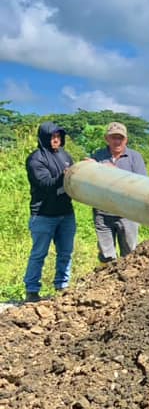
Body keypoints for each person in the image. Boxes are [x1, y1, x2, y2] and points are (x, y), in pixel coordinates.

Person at [23, 122, 76, 302]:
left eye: (58, 136)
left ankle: (62, 287)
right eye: (52, 136)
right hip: (43, 215)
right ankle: (32, 290)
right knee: (39, 254)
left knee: (66, 253)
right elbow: (45, 184)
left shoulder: (65, 155)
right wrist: (63, 176)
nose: (56, 140)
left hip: (66, 214)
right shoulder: (35, 159)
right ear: (44, 137)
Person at [90, 122, 147, 262]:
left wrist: (114, 171)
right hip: (103, 213)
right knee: (106, 257)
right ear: (107, 139)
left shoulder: (135, 157)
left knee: (129, 255)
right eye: (113, 137)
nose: (117, 141)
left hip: (128, 214)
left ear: (126, 140)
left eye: (120, 138)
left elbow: (143, 185)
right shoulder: (98, 156)